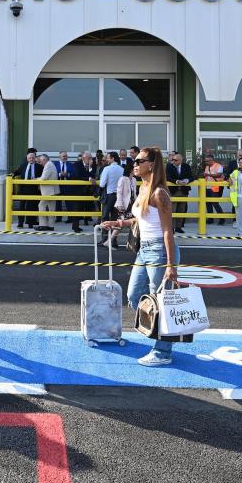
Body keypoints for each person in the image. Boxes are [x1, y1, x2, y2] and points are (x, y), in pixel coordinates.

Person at [101, 147, 184, 366]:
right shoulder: (144, 188)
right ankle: (155, 333)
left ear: (152, 164)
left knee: (161, 302)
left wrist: (171, 265)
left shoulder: (159, 193)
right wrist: (118, 223)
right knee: (133, 294)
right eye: (134, 161)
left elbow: (168, 231)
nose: (134, 164)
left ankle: (163, 351)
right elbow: (140, 220)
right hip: (144, 249)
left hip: (159, 250)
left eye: (139, 161)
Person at [70, 151, 99, 233]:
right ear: (83, 158)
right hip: (78, 190)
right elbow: (77, 175)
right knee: (77, 208)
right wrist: (89, 179)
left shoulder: (93, 165)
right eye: (88, 158)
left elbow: (93, 175)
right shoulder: (77, 164)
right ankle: (75, 227)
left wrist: (90, 167)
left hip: (88, 190)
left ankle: (86, 220)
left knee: (87, 207)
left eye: (91, 158)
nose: (90, 159)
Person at [166, 152, 193, 234]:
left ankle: (178, 227)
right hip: (173, 191)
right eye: (173, 160)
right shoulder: (169, 166)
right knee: (173, 210)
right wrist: (176, 181)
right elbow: (167, 177)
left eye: (175, 160)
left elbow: (191, 177)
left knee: (181, 209)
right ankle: (172, 227)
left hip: (184, 191)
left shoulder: (186, 166)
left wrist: (187, 180)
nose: (173, 161)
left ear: (180, 160)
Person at [12, 151, 39, 229]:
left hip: (33, 189)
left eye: (33, 158)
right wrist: (11, 175)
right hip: (23, 189)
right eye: (29, 158)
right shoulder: (23, 166)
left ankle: (30, 223)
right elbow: (16, 172)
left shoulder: (39, 167)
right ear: (27, 159)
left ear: (35, 158)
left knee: (31, 207)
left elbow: (42, 176)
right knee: (21, 207)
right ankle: (20, 223)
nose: (31, 159)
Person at [97, 151, 123, 228]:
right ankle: (113, 239)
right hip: (119, 196)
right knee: (115, 217)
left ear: (112, 158)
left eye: (108, 158)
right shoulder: (122, 169)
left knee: (105, 217)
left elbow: (102, 184)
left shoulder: (107, 169)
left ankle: (105, 238)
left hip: (109, 195)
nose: (107, 160)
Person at [36, 153, 58, 231]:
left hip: (48, 191)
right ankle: (50, 226)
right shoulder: (51, 164)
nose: (40, 163)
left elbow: (44, 178)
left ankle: (43, 225)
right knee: (51, 208)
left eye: (40, 161)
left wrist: (36, 179)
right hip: (51, 190)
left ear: (44, 160)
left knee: (41, 206)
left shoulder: (48, 165)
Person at [202, 155, 226, 226]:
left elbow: (219, 175)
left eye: (206, 161)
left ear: (211, 160)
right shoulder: (207, 167)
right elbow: (206, 175)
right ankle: (210, 219)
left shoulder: (219, 166)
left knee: (215, 203)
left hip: (215, 187)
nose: (205, 162)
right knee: (208, 203)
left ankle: (222, 219)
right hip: (207, 187)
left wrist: (208, 174)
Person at [53, 151, 72, 222]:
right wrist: (59, 174)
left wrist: (67, 175)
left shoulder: (70, 164)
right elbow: (53, 173)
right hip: (58, 186)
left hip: (68, 186)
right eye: (63, 156)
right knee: (58, 202)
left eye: (66, 156)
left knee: (69, 203)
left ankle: (70, 218)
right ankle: (58, 217)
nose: (65, 157)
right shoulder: (55, 164)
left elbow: (73, 174)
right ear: (60, 157)